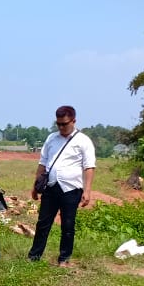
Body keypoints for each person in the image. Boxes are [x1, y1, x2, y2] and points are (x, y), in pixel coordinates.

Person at [29, 105, 96, 267]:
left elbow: (89, 167)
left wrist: (87, 190)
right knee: (43, 223)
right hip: (50, 188)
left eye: (64, 124)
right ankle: (34, 256)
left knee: (67, 225)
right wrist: (35, 186)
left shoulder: (83, 141)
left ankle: (64, 259)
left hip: (71, 189)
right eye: (58, 124)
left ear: (74, 121)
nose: (61, 127)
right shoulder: (51, 138)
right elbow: (43, 163)